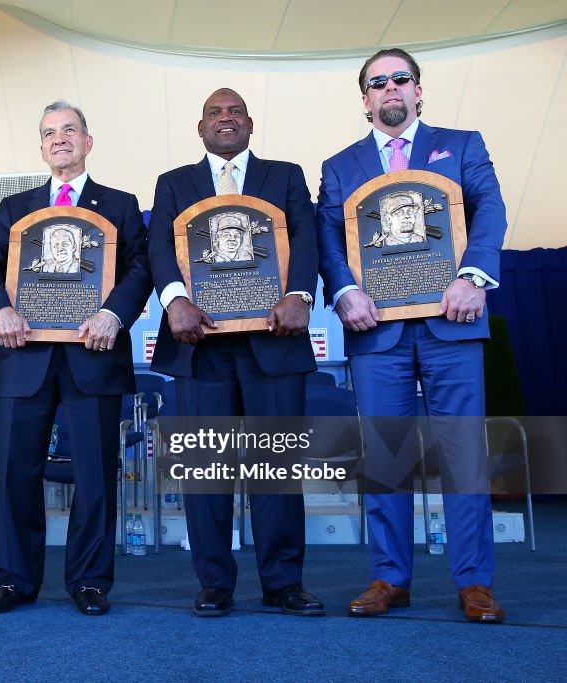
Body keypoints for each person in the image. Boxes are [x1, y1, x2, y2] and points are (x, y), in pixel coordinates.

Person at [316, 48, 507, 623]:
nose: (390, 88)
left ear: (418, 90)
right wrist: (344, 291)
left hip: (453, 324)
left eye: (401, 78)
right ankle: (389, 578)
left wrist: (475, 275)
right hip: (378, 334)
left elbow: (490, 208)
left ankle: (474, 582)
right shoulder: (340, 164)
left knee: (465, 455)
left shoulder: (463, 144)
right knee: (385, 457)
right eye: (378, 82)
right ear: (366, 99)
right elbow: (328, 235)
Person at [147, 88, 324, 617]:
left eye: (235, 112)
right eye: (214, 113)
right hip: (199, 343)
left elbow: (306, 238)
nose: (226, 119)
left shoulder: (285, 174)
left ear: (250, 124)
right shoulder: (173, 183)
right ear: (199, 128)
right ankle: (215, 583)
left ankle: (283, 583)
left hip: (274, 341)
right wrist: (175, 299)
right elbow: (159, 244)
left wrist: (301, 293)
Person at [0, 101, 151, 616]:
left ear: (88, 142)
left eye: (69, 130)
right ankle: (14, 580)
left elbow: (140, 268)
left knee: (95, 473)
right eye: (49, 133)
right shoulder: (15, 206)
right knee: (15, 474)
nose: (60, 139)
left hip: (94, 354)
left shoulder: (119, 203)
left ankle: (90, 580)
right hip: (24, 355)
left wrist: (115, 314)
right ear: (42, 147)